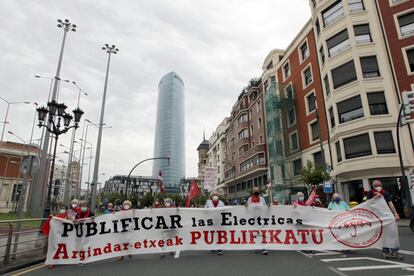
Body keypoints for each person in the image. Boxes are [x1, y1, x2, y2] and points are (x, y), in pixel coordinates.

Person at [368, 180, 402, 260]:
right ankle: (386, 251)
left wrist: (395, 214)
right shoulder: (370, 193)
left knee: (392, 233)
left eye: (379, 185)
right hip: (378, 216)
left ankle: (394, 251)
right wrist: (375, 197)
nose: (378, 187)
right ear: (373, 187)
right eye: (376, 185)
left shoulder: (385, 193)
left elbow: (390, 203)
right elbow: (368, 203)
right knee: (383, 234)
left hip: (387, 215)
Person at [246, 187, 268, 255]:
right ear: (253, 192)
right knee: (255, 234)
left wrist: (268, 206)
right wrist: (246, 206)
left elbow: (265, 207)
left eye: (257, 191)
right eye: (255, 191)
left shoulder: (262, 199)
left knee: (262, 233)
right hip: (253, 219)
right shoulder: (250, 199)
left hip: (261, 219)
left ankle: (264, 248)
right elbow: (247, 207)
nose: (256, 192)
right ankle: (257, 247)